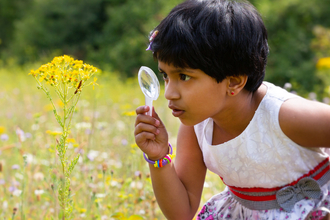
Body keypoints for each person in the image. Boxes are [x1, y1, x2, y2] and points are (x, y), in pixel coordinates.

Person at [134, 0, 330, 219]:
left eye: (184, 76)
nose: (169, 93)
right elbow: (181, 212)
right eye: (165, 76)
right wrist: (158, 157)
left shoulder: (284, 115)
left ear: (234, 82)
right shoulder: (197, 128)